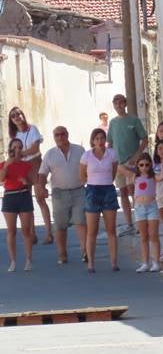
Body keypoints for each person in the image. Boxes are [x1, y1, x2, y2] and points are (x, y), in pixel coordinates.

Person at [37, 127, 87, 264]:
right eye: (56, 135)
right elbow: (42, 173)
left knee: (81, 221)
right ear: (54, 137)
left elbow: (87, 167)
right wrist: (41, 188)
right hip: (59, 194)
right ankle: (62, 253)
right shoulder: (50, 154)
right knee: (60, 225)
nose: (59, 137)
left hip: (79, 191)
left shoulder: (80, 150)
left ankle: (85, 252)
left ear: (67, 135)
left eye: (62, 134)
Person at [8, 107, 51, 244]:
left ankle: (49, 233)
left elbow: (35, 149)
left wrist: (20, 153)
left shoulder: (33, 129)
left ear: (22, 115)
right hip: (21, 167)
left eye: (18, 114)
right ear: (11, 120)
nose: (16, 117)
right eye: (13, 116)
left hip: (35, 164)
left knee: (40, 198)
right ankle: (31, 235)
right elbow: (13, 154)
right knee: (27, 201)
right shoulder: (14, 135)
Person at [107, 94, 148, 236]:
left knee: (134, 192)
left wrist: (137, 156)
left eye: (121, 102)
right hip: (118, 164)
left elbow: (144, 139)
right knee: (123, 192)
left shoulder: (134, 120)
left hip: (132, 162)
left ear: (125, 104)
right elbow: (110, 143)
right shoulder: (112, 123)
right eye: (116, 103)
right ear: (113, 105)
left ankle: (139, 222)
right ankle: (129, 223)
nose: (118, 105)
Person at [80, 128, 119, 273]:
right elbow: (82, 175)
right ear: (92, 141)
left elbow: (114, 172)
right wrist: (91, 185)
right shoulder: (86, 156)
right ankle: (91, 263)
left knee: (111, 229)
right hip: (92, 190)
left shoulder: (112, 154)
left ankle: (114, 262)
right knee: (92, 230)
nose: (100, 141)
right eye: (97, 138)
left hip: (108, 190)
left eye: (102, 138)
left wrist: (107, 182)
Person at [1, 138, 36, 271]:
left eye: (19, 148)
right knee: (11, 231)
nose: (16, 150)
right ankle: (13, 261)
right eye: (14, 148)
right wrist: (6, 166)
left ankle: (28, 260)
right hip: (9, 196)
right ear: (9, 149)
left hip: (23, 195)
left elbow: (33, 181)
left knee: (26, 229)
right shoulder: (4, 164)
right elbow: (1, 179)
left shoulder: (27, 165)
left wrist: (26, 181)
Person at [129, 153, 160, 272]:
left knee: (153, 235)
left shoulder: (153, 177)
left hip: (152, 206)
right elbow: (120, 168)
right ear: (138, 165)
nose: (144, 167)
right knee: (143, 237)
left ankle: (156, 262)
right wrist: (131, 165)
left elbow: (161, 177)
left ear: (150, 165)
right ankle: (145, 263)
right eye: (141, 165)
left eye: (147, 165)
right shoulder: (135, 177)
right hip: (139, 208)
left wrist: (161, 166)